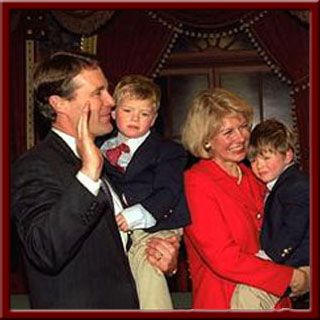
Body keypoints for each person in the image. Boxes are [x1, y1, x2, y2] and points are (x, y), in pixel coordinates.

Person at [11, 52, 179, 309]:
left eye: (108, 91)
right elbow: (44, 249)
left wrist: (161, 254)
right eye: (98, 93)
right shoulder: (35, 165)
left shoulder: (100, 158)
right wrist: (89, 174)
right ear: (59, 103)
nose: (111, 101)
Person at [180, 88, 309, 310]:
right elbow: (224, 258)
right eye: (228, 132)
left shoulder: (256, 175)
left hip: (277, 300)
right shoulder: (196, 182)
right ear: (206, 140)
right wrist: (291, 278)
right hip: (226, 301)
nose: (241, 137)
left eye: (243, 126)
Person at [100, 75, 190, 309]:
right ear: (113, 111)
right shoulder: (100, 147)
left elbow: (168, 192)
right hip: (118, 231)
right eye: (128, 110)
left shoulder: (170, 151)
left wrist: (135, 215)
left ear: (154, 119)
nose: (135, 119)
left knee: (149, 266)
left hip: (158, 223)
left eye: (144, 114)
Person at [230, 118, 310, 309]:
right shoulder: (278, 185)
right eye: (254, 159)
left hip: (300, 262)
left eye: (266, 157)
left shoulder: (296, 185)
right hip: (287, 261)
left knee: (248, 295)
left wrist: (269, 256)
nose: (259, 165)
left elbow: (293, 229)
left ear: (288, 155)